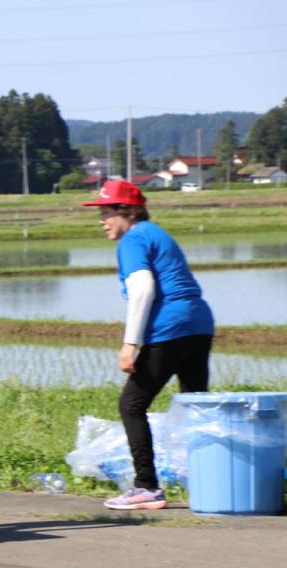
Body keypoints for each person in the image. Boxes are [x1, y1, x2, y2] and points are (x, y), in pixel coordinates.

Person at [85, 180, 214, 510]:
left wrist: (130, 344)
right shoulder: (156, 233)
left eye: (107, 213)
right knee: (195, 406)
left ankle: (146, 487)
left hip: (169, 327)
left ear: (127, 211)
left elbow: (142, 289)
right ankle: (211, 482)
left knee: (131, 404)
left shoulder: (133, 239)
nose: (102, 220)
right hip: (198, 323)